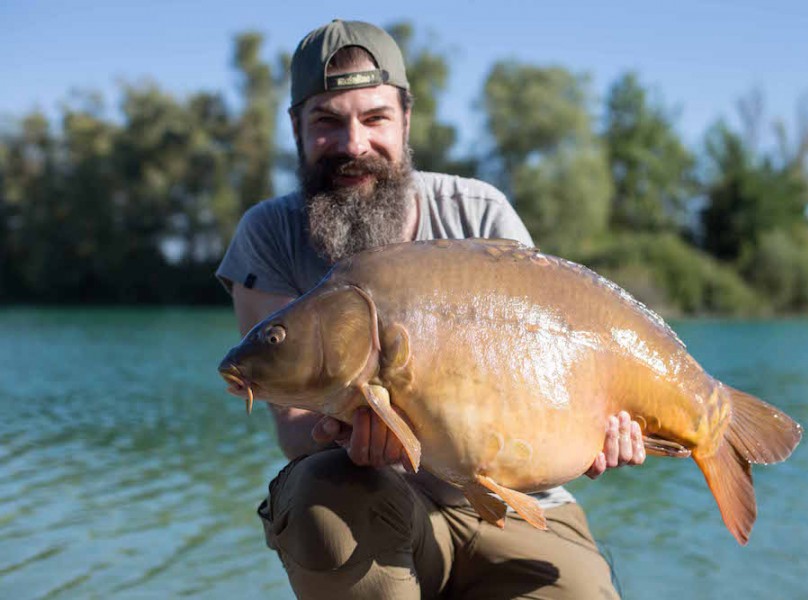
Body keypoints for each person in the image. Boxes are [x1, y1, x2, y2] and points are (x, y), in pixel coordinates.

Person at [217, 19, 645, 599]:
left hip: (518, 506)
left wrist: (596, 429)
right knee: (319, 493)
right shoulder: (269, 234)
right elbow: (295, 431)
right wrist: (363, 434)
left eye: (375, 118)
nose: (353, 145)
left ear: (406, 120)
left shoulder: (480, 213)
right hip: (376, 500)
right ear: (297, 128)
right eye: (327, 122)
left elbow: (552, 367)